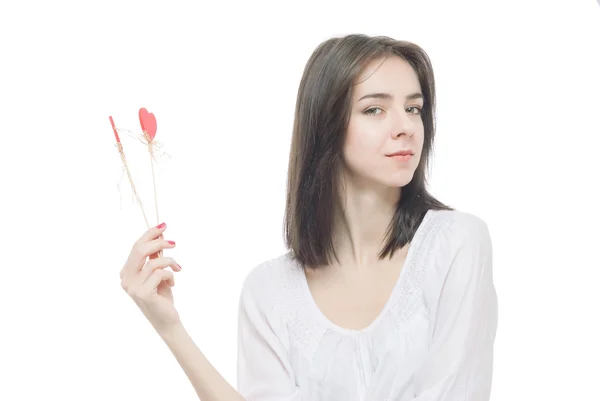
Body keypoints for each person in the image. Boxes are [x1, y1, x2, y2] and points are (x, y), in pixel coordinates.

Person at [119, 33, 498, 401]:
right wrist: (170, 328)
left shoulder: (456, 245)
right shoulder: (269, 291)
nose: (406, 127)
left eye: (413, 108)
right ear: (326, 126)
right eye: (374, 109)